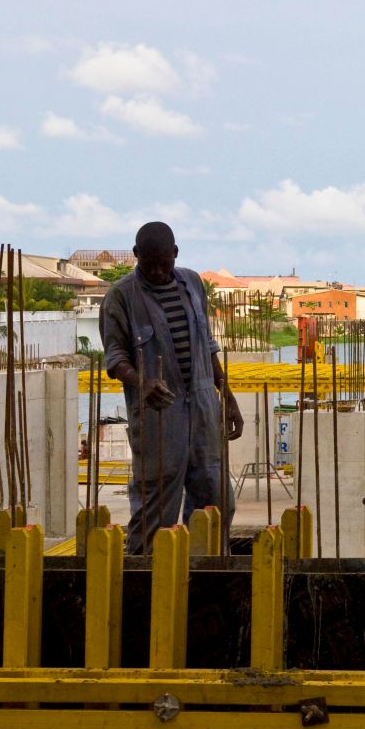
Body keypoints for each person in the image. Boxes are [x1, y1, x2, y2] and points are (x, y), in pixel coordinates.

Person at [102, 222, 243, 554]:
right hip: (159, 417)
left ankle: (203, 577)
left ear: (175, 254)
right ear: (136, 255)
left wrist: (228, 396)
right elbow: (115, 357)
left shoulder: (193, 283)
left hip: (204, 413)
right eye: (148, 263)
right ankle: (146, 582)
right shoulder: (120, 296)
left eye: (164, 263)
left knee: (217, 502)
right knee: (156, 512)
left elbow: (207, 347)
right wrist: (142, 381)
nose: (156, 271)